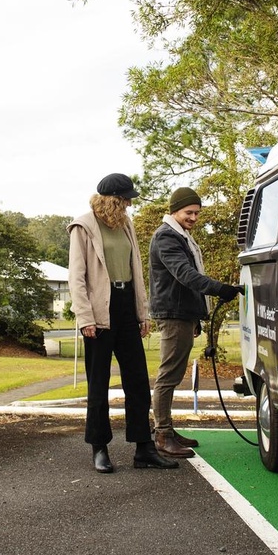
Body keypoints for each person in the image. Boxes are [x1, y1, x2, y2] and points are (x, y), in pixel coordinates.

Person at [67, 173, 178, 474]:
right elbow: (76, 277)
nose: (129, 204)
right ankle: (99, 448)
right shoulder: (83, 227)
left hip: (126, 305)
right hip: (99, 311)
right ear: (113, 199)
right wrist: (85, 318)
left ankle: (143, 449)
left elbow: (136, 270)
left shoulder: (126, 224)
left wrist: (142, 313)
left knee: (138, 382)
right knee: (99, 384)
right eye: (126, 199)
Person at [149, 187, 242, 458]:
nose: (193, 217)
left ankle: (167, 428)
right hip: (173, 315)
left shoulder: (181, 235)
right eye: (188, 212)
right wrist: (220, 288)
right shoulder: (167, 237)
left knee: (174, 374)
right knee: (168, 376)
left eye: (197, 213)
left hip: (183, 313)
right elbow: (185, 275)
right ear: (174, 210)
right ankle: (162, 434)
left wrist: (197, 314)